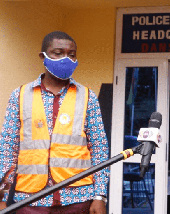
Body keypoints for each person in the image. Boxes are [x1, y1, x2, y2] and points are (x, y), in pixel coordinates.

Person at [0, 31, 109, 214]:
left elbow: (99, 149)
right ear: (42, 56)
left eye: (71, 54)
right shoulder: (19, 95)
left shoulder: (87, 97)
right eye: (58, 53)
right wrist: (2, 196)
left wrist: (100, 196)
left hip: (78, 199)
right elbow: (8, 149)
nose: (65, 59)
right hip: (30, 200)